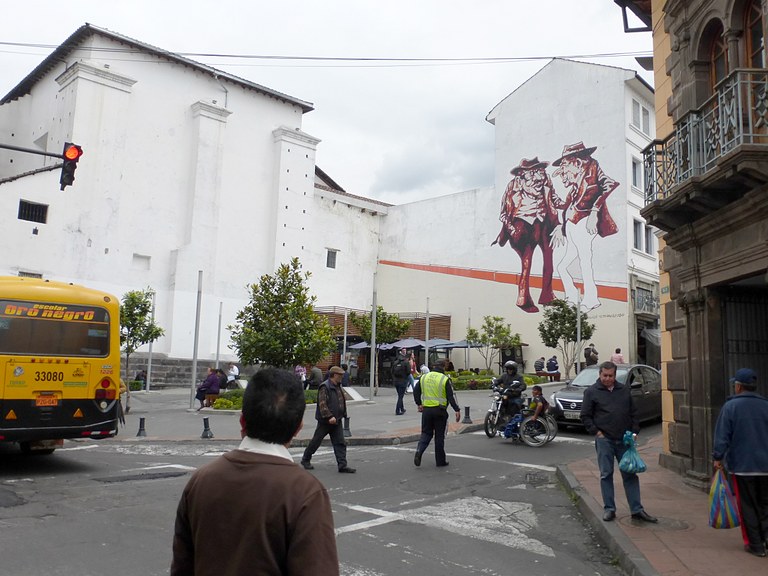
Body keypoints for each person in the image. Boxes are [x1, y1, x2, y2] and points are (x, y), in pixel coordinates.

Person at [170, 368, 339, 576]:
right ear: (298, 428)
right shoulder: (305, 492)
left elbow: (182, 566)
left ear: (242, 421)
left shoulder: (201, 480)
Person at [580, 361, 657, 523]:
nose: (608, 379)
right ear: (600, 374)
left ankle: (637, 510)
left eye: (611, 376)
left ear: (615, 375)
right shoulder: (591, 392)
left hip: (624, 440)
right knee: (606, 474)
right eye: (605, 375)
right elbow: (585, 416)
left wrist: (634, 431)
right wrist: (597, 432)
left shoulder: (624, 391)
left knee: (630, 474)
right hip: (605, 440)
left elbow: (633, 413)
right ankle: (609, 509)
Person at [550, 142, 619, 312]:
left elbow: (610, 184)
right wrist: (560, 225)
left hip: (584, 222)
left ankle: (591, 298)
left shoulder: (593, 171)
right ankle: (572, 296)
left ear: (577, 162)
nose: (563, 170)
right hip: (572, 224)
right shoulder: (575, 185)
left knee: (584, 260)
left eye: (565, 165)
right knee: (562, 267)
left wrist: (594, 212)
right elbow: (564, 205)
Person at [492, 156, 560, 313]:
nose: (538, 178)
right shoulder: (513, 186)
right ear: (522, 176)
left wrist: (571, 203)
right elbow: (503, 213)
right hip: (522, 224)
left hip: (544, 222)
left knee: (549, 259)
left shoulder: (545, 180)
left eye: (540, 171)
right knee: (526, 262)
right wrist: (511, 228)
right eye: (533, 173)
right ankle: (523, 299)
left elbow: (554, 199)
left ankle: (547, 295)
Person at [712, 368, 768, 558]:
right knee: (765, 503)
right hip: (765, 466)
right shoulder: (765, 405)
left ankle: (755, 544)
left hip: (743, 466)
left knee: (747, 505)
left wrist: (718, 457)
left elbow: (722, 435)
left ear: (738, 386)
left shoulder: (731, 407)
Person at [301, 366, 356, 473]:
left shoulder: (337, 386)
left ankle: (342, 465)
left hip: (337, 420)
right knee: (316, 441)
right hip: (326, 421)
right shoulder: (325, 387)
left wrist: (342, 413)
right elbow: (322, 404)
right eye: (340, 375)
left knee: (340, 442)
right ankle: (305, 459)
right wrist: (329, 416)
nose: (342, 377)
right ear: (334, 375)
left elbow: (340, 401)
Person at [413, 359, 461, 468]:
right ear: (443, 367)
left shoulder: (424, 377)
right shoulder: (444, 379)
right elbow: (450, 397)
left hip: (426, 410)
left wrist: (419, 404)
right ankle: (440, 461)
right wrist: (457, 410)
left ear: (434, 367)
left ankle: (419, 451)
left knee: (426, 433)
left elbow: (416, 391)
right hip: (440, 411)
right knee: (439, 437)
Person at [391, 348, 410, 415]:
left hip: (396, 381)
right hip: (403, 380)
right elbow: (408, 372)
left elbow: (392, 371)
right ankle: (397, 410)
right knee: (400, 396)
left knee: (400, 395)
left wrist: (394, 378)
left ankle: (402, 408)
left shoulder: (395, 362)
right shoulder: (406, 362)